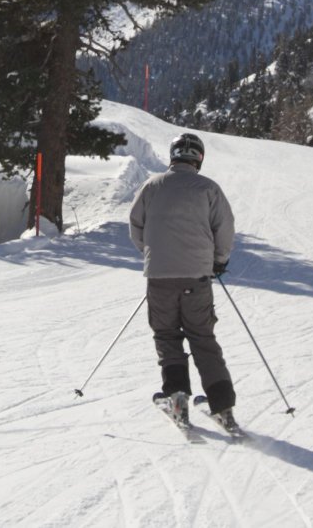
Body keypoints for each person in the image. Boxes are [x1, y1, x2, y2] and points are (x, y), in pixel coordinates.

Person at [128, 131, 238, 432]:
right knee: (202, 338)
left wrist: (153, 253)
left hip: (159, 276)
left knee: (167, 336)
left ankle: (177, 400)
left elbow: (136, 225)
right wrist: (218, 261)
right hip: (197, 277)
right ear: (199, 158)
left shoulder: (152, 186)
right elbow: (224, 228)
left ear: (173, 156)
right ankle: (223, 408)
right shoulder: (209, 189)